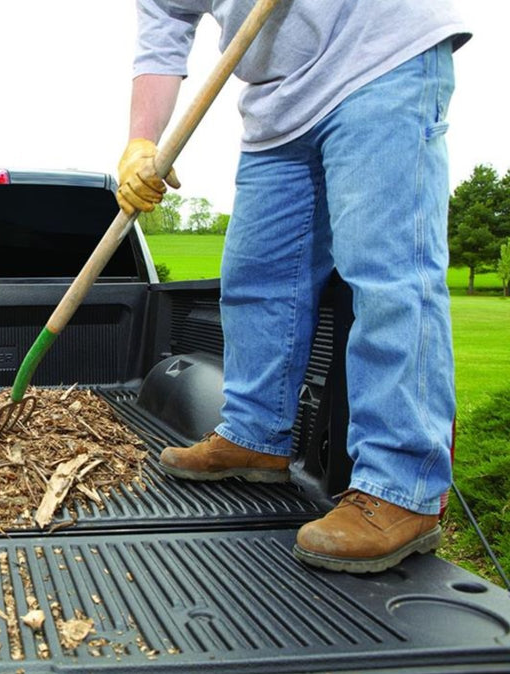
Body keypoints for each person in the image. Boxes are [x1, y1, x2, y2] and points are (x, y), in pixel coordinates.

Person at [117, 0, 470, 574]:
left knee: (386, 280)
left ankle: (403, 488)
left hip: (377, 57)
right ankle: (255, 433)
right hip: (277, 103)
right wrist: (140, 142)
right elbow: (163, 34)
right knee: (255, 281)